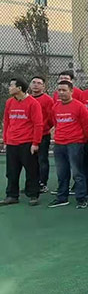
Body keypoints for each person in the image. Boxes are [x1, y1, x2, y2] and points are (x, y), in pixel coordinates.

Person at [48, 81, 88, 208]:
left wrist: (81, 140)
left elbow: (87, 126)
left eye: (64, 90)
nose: (61, 93)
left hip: (75, 144)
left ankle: (81, 198)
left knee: (77, 173)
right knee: (61, 173)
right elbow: (56, 123)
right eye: (59, 90)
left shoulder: (79, 106)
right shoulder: (55, 107)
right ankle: (62, 197)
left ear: (71, 91)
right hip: (59, 144)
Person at [0, 78, 43, 206]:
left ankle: (33, 195)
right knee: (11, 171)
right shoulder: (9, 102)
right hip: (12, 142)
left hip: (27, 142)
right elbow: (6, 121)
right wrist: (5, 140)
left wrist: (35, 143)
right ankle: (12, 195)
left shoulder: (33, 103)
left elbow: (38, 124)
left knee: (31, 170)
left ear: (19, 88)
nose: (9, 88)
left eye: (11, 85)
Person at [29, 76, 54, 193]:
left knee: (42, 159)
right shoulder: (27, 99)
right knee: (30, 161)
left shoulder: (48, 100)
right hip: (29, 135)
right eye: (33, 82)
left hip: (43, 135)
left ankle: (42, 183)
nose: (35, 85)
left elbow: (51, 118)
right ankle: (32, 183)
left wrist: (43, 128)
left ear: (43, 86)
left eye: (39, 83)